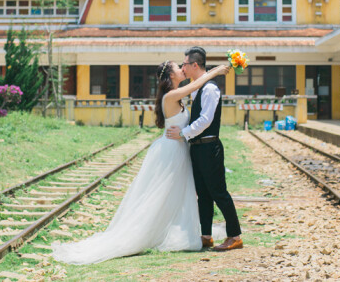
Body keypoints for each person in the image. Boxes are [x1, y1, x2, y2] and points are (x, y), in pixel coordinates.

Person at [51, 60, 230, 264]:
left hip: (179, 148)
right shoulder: (171, 95)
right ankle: (144, 232)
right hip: (171, 150)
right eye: (177, 68)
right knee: (160, 194)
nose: (182, 69)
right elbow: (197, 85)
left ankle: (179, 228)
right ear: (171, 76)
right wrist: (216, 71)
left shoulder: (176, 94)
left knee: (178, 193)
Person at [166, 46, 243, 251]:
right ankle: (206, 235)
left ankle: (234, 236)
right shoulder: (196, 87)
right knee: (203, 194)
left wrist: (182, 133)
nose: (183, 67)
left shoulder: (210, 88)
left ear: (194, 65)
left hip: (210, 147)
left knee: (218, 192)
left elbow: (206, 120)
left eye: (185, 64)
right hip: (197, 148)